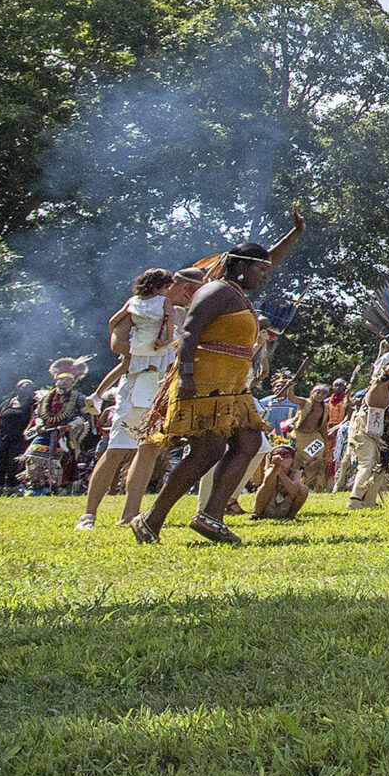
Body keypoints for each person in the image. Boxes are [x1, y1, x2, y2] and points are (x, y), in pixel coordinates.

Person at [131, 210, 305, 545]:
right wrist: (186, 375)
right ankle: (155, 520)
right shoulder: (216, 291)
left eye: (267, 269)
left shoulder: (236, 293)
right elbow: (191, 330)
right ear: (240, 266)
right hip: (206, 383)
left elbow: (269, 258)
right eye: (260, 269)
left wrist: (294, 233)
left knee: (248, 442)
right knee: (207, 451)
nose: (266, 274)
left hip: (230, 386)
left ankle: (205, 516)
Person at [77, 269, 176, 530]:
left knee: (149, 450)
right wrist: (147, 349)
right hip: (137, 383)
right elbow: (117, 341)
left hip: (161, 386)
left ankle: (130, 514)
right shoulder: (136, 308)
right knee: (117, 450)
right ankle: (88, 515)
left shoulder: (178, 311)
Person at [343, 336, 389, 509]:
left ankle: (369, 500)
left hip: (377, 430)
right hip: (364, 430)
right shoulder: (379, 384)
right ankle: (354, 500)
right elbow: (385, 374)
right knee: (367, 463)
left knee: (383, 464)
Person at [249, 442, 309, 520]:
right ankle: (257, 514)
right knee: (269, 483)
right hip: (267, 506)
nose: (281, 458)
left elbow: (294, 490)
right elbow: (267, 484)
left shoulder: (295, 472)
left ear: (292, 459)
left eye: (285, 455)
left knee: (303, 489)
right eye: (277, 455)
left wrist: (280, 471)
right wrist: (276, 469)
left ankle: (290, 516)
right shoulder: (270, 470)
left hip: (284, 508)